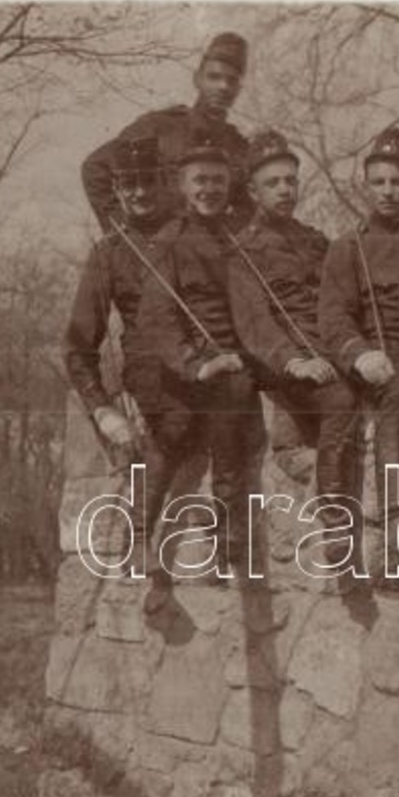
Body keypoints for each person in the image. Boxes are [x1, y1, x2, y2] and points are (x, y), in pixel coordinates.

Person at [226, 129, 364, 587]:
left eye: (290, 180)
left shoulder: (314, 241)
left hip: (328, 353)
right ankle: (335, 520)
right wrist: (292, 361)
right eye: (273, 183)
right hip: (286, 365)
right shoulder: (242, 250)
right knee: (341, 401)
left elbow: (342, 300)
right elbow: (254, 323)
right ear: (252, 191)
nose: (285, 190)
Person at [135, 122, 265, 608]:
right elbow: (157, 318)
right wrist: (194, 364)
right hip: (187, 367)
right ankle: (143, 542)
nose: (209, 189)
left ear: (229, 184)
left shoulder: (239, 239)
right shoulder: (168, 243)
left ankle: (227, 537)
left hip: (235, 361)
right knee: (172, 429)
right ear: (182, 186)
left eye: (217, 179)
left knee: (232, 408)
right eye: (199, 181)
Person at [59, 134, 183, 604]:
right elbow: (76, 344)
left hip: (209, 371)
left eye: (146, 182)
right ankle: (140, 544)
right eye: (127, 185)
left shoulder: (190, 237)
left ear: (163, 181)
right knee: (161, 430)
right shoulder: (110, 253)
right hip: (152, 379)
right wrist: (103, 409)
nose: (138, 194)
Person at [318, 127, 399, 590]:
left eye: (397, 182)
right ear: (366, 185)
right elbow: (333, 313)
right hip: (363, 356)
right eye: (379, 182)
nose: (388, 192)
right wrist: (359, 354)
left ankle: (395, 531)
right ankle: (336, 530)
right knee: (338, 406)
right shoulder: (347, 246)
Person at [80, 31, 251, 230]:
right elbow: (95, 168)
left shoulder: (238, 147)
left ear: (238, 89)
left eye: (232, 81)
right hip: (161, 252)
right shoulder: (160, 126)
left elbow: (248, 207)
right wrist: (123, 231)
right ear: (197, 79)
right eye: (214, 77)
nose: (223, 86)